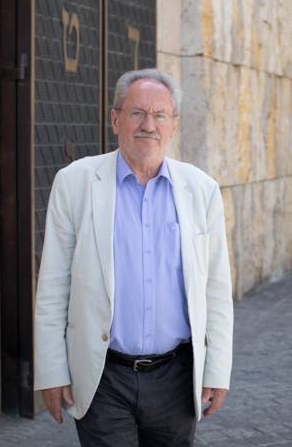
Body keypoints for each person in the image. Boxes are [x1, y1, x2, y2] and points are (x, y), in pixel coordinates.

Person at [34, 68, 234, 446]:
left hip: (176, 377)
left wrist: (217, 370)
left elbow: (216, 289)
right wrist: (51, 371)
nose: (148, 125)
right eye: (137, 113)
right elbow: (53, 286)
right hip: (103, 375)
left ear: (173, 124)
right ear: (115, 119)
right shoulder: (75, 183)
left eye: (160, 115)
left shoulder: (201, 191)